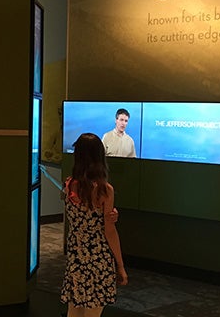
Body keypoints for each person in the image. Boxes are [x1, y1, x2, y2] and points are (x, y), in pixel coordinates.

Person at [61, 133, 128, 317]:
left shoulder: (68, 185)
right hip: (98, 260)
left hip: (76, 258)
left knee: (74, 311)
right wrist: (120, 266)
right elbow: (109, 231)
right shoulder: (104, 190)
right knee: (93, 313)